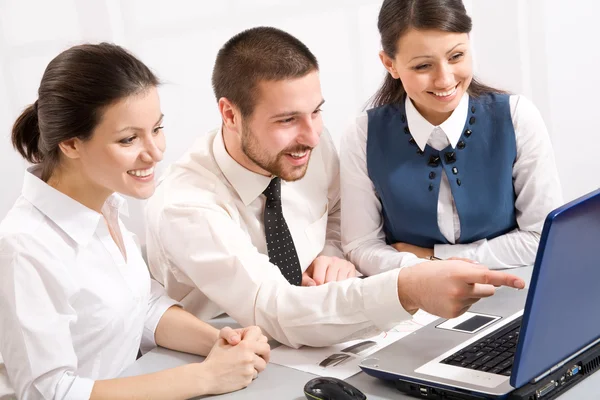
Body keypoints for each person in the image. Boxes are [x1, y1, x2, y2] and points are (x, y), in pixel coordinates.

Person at [145, 27, 525, 349]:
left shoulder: (307, 146)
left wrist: (329, 253)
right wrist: (408, 287)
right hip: (221, 350)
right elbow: (275, 310)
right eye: (287, 119)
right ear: (230, 114)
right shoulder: (187, 205)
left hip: (320, 336)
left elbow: (338, 211)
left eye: (316, 111)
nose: (311, 135)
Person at [0, 43, 270, 400]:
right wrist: (204, 378)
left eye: (156, 129)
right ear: (70, 144)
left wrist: (223, 343)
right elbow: (49, 392)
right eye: (129, 139)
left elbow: (141, 306)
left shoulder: (106, 204)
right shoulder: (25, 247)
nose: (155, 152)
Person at [340, 0, 563, 277]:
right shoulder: (362, 135)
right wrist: (431, 275)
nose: (444, 80)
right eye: (423, 66)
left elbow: (543, 236)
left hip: (512, 291)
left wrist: (434, 258)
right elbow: (360, 247)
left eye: (456, 56)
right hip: (411, 302)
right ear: (390, 64)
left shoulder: (517, 117)